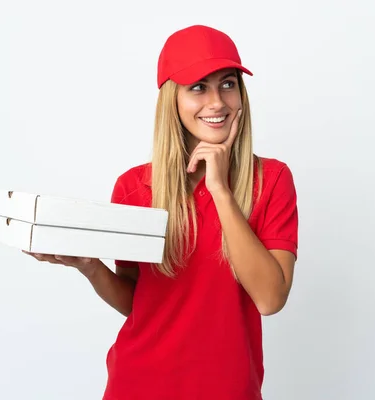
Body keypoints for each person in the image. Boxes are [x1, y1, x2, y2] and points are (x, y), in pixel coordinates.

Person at [25, 24, 298, 400]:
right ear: (173, 99)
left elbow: (270, 299)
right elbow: (138, 301)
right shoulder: (134, 187)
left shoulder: (271, 179)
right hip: (137, 385)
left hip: (228, 390)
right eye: (198, 87)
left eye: (228, 83)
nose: (217, 101)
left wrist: (220, 189)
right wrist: (90, 266)